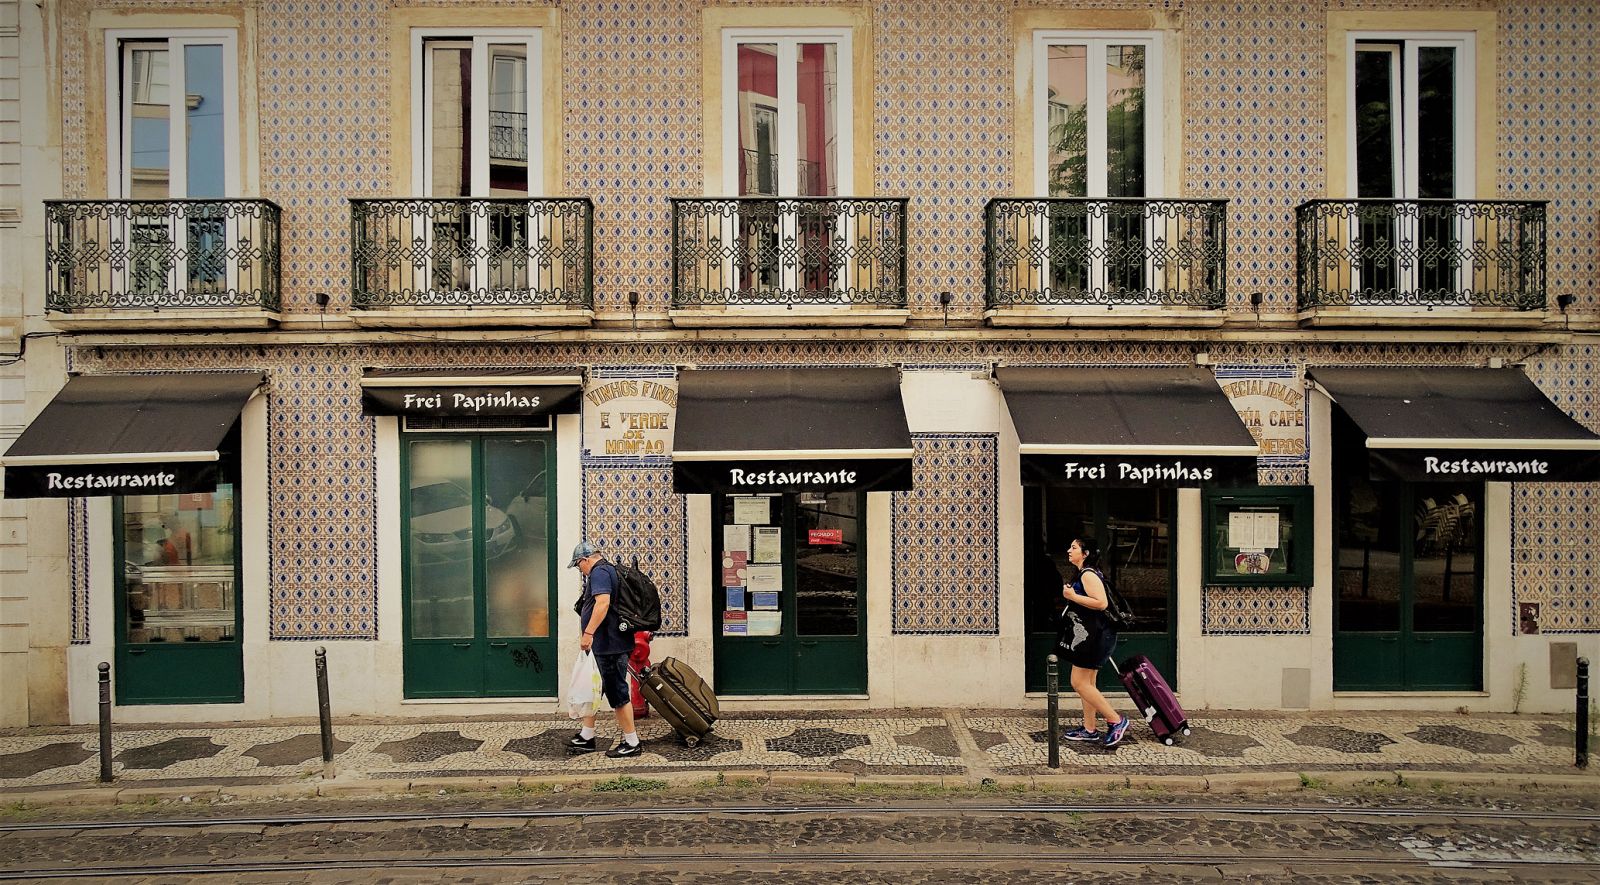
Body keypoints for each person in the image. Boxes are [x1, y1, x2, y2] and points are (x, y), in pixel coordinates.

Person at [566, 541, 642, 758]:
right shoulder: (607, 570)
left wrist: (588, 633)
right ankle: (587, 736)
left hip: (610, 646)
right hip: (606, 645)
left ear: (586, 560)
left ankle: (632, 742)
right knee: (593, 689)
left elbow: (603, 604)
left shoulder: (599, 573)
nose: (580, 570)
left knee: (618, 694)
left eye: (579, 565)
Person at [1058, 537, 1131, 748]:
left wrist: (1072, 596)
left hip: (1097, 636)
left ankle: (1116, 720)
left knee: (1078, 683)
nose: (1069, 550)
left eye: (1074, 547)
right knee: (1088, 684)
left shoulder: (1088, 574)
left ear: (1086, 553)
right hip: (1094, 635)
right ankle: (1089, 729)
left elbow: (1101, 603)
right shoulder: (1086, 573)